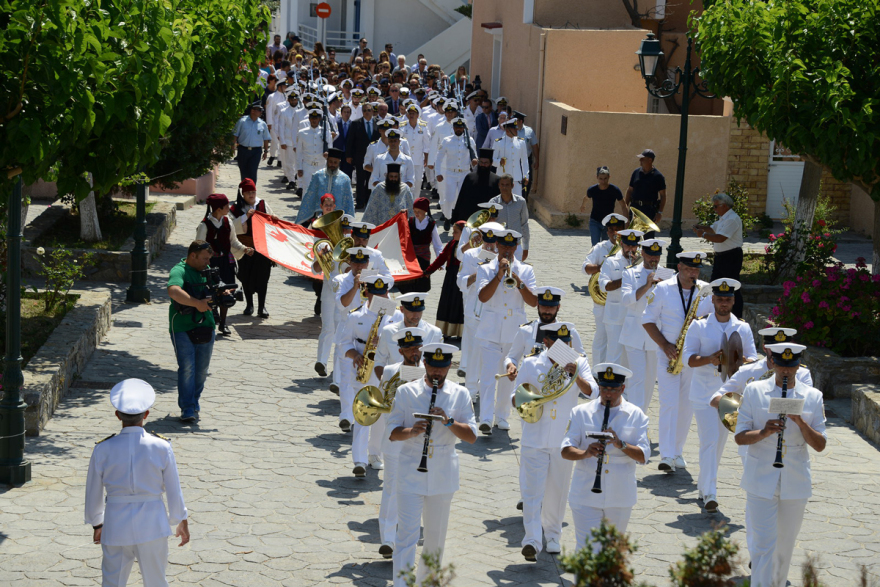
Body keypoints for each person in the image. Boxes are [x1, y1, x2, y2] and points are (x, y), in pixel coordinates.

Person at [735, 343, 826, 587]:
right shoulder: (754, 391)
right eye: (782, 365)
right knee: (763, 545)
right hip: (760, 477)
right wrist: (764, 432)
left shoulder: (813, 396)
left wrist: (801, 423)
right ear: (773, 363)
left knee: (784, 546)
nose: (786, 371)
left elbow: (820, 445)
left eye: (791, 366)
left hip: (795, 480)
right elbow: (740, 437)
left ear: (798, 366)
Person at [388, 343, 477, 587]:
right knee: (406, 535)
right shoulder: (406, 392)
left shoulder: (461, 394)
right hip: (410, 470)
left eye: (442, 368)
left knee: (435, 537)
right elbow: (392, 432)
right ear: (425, 364)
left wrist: (449, 422)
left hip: (443, 472)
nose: (437, 373)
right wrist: (411, 431)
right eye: (433, 367)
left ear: (449, 366)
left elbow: (471, 436)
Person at [85, 379, 189, 587]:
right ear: (147, 414)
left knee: (112, 582)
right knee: (156, 581)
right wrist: (180, 519)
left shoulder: (103, 449)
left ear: (117, 415)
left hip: (115, 523)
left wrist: (98, 523)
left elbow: (93, 492)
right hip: (152, 524)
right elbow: (173, 488)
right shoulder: (161, 446)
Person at [516, 322, 598, 561]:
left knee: (557, 490)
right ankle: (531, 539)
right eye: (559, 345)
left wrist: (576, 375)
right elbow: (516, 395)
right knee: (532, 492)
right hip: (535, 436)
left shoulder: (579, 362)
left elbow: (592, 392)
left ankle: (552, 535)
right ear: (548, 343)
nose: (565, 349)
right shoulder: (532, 363)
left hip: (563, 439)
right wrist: (525, 402)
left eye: (568, 344)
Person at [683, 278, 757, 512]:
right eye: (720, 299)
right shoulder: (699, 325)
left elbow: (754, 359)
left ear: (733, 301)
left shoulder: (742, 327)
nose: (724, 303)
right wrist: (710, 359)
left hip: (731, 393)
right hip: (704, 392)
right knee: (709, 440)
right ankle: (711, 494)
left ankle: (704, 486)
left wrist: (739, 360)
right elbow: (688, 359)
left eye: (728, 300)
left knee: (719, 444)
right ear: (713, 300)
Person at [561, 363, 650, 553]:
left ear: (623, 388)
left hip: (620, 495)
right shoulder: (580, 412)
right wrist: (586, 453)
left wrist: (621, 444)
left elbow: (643, 456)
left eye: (613, 389)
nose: (608, 394)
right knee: (587, 550)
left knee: (612, 553)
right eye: (604, 389)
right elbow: (565, 450)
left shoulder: (636, 415)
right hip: (585, 493)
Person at [641, 252, 713, 472]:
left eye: (696, 270)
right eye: (689, 269)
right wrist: (664, 345)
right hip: (668, 354)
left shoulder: (705, 290)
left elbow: (711, 321)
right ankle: (666, 454)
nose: (694, 274)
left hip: (693, 357)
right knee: (669, 403)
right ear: (679, 267)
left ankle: (678, 452)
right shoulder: (662, 289)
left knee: (686, 406)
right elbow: (647, 320)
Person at [476, 229, 537, 434]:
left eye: (511, 247)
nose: (507, 250)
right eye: (504, 246)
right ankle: (485, 418)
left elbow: (533, 301)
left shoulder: (526, 270)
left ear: (516, 247)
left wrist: (517, 279)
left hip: (514, 331)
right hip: (490, 330)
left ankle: (501, 415)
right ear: (497, 246)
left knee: (508, 376)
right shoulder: (486, 268)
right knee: (487, 376)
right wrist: (499, 274)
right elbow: (483, 297)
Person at [375, 327, 426, 559]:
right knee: (391, 490)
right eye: (409, 349)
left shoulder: (431, 372)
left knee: (416, 491)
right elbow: (385, 404)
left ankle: (407, 538)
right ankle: (387, 539)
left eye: (416, 348)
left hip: (420, 445)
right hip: (396, 441)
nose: (414, 353)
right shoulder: (388, 371)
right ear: (400, 351)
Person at [341, 272, 398, 477]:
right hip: (363, 367)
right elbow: (344, 343)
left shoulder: (396, 315)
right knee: (363, 413)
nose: (379, 299)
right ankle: (359, 459)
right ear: (367, 293)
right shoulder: (356, 315)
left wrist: (384, 339)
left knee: (381, 415)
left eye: (382, 294)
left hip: (385, 367)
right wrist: (354, 354)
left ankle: (375, 455)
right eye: (375, 294)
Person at [166, 241, 225, 422]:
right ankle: (188, 408)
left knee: (201, 370)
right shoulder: (179, 270)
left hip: (206, 325)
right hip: (182, 327)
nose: (208, 263)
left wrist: (223, 294)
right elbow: (174, 291)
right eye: (205, 258)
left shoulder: (208, 271)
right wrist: (197, 303)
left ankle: (193, 401)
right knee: (188, 368)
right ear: (193, 255)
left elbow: (215, 291)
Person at [195, 194, 254, 336]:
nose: (229, 208)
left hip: (226, 263)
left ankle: (223, 322)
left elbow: (233, 241)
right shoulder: (205, 225)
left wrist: (244, 249)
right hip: (210, 264)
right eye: (227, 206)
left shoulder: (228, 221)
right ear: (219, 208)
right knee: (211, 292)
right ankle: (212, 317)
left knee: (226, 291)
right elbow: (199, 246)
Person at [618, 238, 666, 412]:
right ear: (643, 253)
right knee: (636, 379)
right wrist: (646, 286)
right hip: (635, 333)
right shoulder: (630, 273)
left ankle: (641, 418)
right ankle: (634, 419)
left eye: (657, 255)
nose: (654, 259)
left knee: (649, 381)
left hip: (656, 334)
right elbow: (626, 300)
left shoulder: (667, 275)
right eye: (651, 254)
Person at [456, 222, 501, 394]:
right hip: (474, 309)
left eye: (493, 242)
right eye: (486, 241)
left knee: (490, 352)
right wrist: (478, 274)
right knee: (474, 352)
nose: (489, 246)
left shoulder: (503, 257)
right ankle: (471, 390)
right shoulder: (470, 255)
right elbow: (460, 281)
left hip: (495, 312)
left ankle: (485, 387)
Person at [582, 213, 626, 367]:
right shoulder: (600, 248)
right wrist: (603, 267)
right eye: (611, 229)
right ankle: (597, 372)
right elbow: (585, 268)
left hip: (621, 301)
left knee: (619, 339)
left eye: (618, 229)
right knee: (601, 337)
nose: (615, 233)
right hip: (602, 301)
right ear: (607, 232)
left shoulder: (629, 249)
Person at [231, 179, 278, 318]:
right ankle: (249, 305)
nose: (251, 195)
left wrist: (274, 218)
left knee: (263, 276)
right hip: (245, 248)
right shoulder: (235, 208)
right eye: (248, 193)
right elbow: (232, 226)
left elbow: (271, 219)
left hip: (262, 248)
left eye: (253, 192)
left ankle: (261, 307)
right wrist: (246, 216)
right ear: (243, 194)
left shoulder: (262, 204)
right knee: (246, 276)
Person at [307, 194, 342, 377]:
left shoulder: (345, 229)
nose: (328, 207)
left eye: (331, 205)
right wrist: (322, 257)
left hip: (345, 289)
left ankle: (338, 368)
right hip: (329, 287)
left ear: (334, 206)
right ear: (321, 207)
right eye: (326, 205)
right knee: (327, 327)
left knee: (341, 329)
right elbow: (314, 269)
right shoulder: (318, 235)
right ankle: (321, 362)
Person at [695, 192, 745, 317]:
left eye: (716, 206)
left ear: (725, 206)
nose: (714, 209)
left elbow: (721, 238)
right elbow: (713, 229)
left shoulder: (732, 219)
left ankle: (737, 315)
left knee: (732, 287)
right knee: (715, 285)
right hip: (722, 256)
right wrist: (701, 227)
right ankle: (714, 312)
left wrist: (703, 234)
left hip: (731, 256)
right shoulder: (724, 218)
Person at [598, 229, 643, 367]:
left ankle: (627, 387)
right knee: (614, 354)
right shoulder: (611, 261)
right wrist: (627, 277)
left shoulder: (641, 263)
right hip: (615, 316)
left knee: (631, 356)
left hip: (634, 315)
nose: (631, 249)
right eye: (628, 245)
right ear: (622, 244)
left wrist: (639, 268)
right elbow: (604, 286)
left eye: (634, 246)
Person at [423, 221, 465, 338]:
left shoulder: (469, 246)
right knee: (447, 303)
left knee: (459, 305)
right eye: (453, 232)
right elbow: (441, 258)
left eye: (456, 232)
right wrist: (428, 271)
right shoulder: (452, 243)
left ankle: (461, 333)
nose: (453, 234)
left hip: (462, 279)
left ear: (464, 233)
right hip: (450, 278)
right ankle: (445, 330)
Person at [435, 117, 477, 230]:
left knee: (463, 199)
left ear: (464, 128)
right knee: (449, 198)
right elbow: (438, 159)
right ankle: (448, 217)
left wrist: (474, 161)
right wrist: (438, 173)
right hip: (450, 173)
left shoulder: (470, 140)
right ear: (453, 127)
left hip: (464, 174)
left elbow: (475, 157)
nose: (458, 129)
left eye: (461, 127)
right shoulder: (447, 140)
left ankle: (461, 221)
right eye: (456, 127)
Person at [295, 148, 354, 224]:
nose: (332, 164)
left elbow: (349, 202)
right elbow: (309, 197)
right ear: (327, 161)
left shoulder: (345, 179)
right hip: (319, 217)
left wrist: (349, 223)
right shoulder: (318, 176)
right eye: (330, 162)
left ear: (339, 162)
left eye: (335, 162)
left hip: (338, 218)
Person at [397, 197, 442, 294]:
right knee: (409, 283)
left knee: (422, 282)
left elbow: (437, 244)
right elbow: (401, 232)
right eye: (414, 211)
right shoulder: (411, 221)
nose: (416, 214)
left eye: (419, 211)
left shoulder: (431, 224)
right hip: (411, 257)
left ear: (425, 211)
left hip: (424, 256)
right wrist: (401, 216)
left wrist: (440, 261)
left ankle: (419, 301)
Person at [449, 149, 500, 226]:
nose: (483, 165)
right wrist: (456, 218)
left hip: (487, 220)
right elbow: (461, 198)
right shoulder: (470, 177)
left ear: (491, 163)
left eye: (486, 163)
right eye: (481, 162)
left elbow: (498, 202)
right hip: (469, 218)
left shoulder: (496, 180)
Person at [346, 102, 381, 208]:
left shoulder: (379, 123)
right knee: (360, 179)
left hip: (374, 157)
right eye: (364, 110)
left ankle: (369, 200)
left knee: (372, 178)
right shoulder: (356, 123)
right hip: (360, 156)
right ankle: (360, 201)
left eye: (369, 110)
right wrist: (349, 155)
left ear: (373, 111)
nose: (366, 112)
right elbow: (350, 140)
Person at [489, 174, 530, 261]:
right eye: (502, 185)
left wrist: (525, 247)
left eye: (507, 185)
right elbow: (489, 226)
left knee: (516, 273)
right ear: (499, 186)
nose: (504, 187)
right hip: (498, 247)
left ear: (512, 185)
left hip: (516, 246)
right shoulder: (493, 203)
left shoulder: (521, 202)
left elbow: (524, 224)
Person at [581, 166, 625, 246]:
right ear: (597, 178)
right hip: (595, 221)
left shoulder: (614, 190)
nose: (603, 181)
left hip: (608, 223)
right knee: (595, 245)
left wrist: (626, 219)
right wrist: (583, 206)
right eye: (601, 178)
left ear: (609, 177)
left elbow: (623, 204)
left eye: (605, 178)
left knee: (606, 245)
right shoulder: (592, 189)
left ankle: (605, 259)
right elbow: (586, 198)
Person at [625, 148, 666, 224]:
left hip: (649, 210)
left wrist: (659, 213)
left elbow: (663, 196)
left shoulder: (658, 176)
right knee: (633, 235)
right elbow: (630, 190)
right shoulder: (636, 172)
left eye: (642, 159)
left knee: (648, 235)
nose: (640, 160)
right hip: (635, 208)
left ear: (650, 160)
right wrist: (625, 207)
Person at [232, 103, 271, 182]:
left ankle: (252, 193)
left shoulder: (262, 124)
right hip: (243, 150)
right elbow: (235, 134)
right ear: (252, 111)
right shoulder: (242, 121)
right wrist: (233, 146)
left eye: (261, 110)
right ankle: (245, 192)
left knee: (253, 172)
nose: (261, 112)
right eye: (259, 110)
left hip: (256, 151)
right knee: (244, 172)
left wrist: (266, 151)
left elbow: (266, 138)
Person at [491, 120, 529, 197]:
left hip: (516, 179)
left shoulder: (521, 142)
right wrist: (499, 162)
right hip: (502, 179)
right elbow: (492, 160)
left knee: (517, 202)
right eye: (514, 129)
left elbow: (524, 160)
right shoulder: (498, 142)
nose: (516, 130)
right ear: (508, 130)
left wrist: (526, 175)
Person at [399, 104, 431, 190]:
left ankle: (415, 200)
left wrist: (426, 159)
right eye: (410, 113)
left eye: (414, 113)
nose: (411, 115)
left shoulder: (423, 127)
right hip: (405, 158)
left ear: (418, 115)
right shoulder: (402, 126)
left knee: (418, 181)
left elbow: (427, 144)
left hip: (418, 158)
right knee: (405, 181)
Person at [514, 112, 539, 199]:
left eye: (516, 120)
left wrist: (537, 160)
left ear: (521, 121)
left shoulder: (529, 131)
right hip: (515, 160)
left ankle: (525, 199)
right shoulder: (511, 130)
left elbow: (534, 146)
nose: (514, 122)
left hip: (526, 160)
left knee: (527, 180)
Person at [333, 103, 355, 178]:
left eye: (348, 112)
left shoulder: (353, 124)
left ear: (350, 113)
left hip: (348, 154)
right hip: (337, 152)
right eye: (344, 112)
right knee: (335, 173)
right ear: (341, 113)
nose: (346, 114)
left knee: (347, 174)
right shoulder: (335, 123)